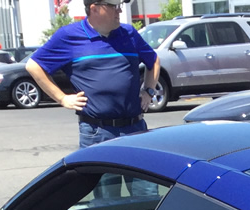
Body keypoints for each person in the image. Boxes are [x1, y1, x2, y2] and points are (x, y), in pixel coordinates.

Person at [26, 0, 160, 148]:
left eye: (119, 6)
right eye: (114, 6)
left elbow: (153, 60)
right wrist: (62, 98)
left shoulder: (129, 34)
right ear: (95, 9)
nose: (119, 11)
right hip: (97, 132)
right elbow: (34, 66)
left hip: (135, 128)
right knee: (99, 172)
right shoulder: (68, 36)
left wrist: (149, 90)